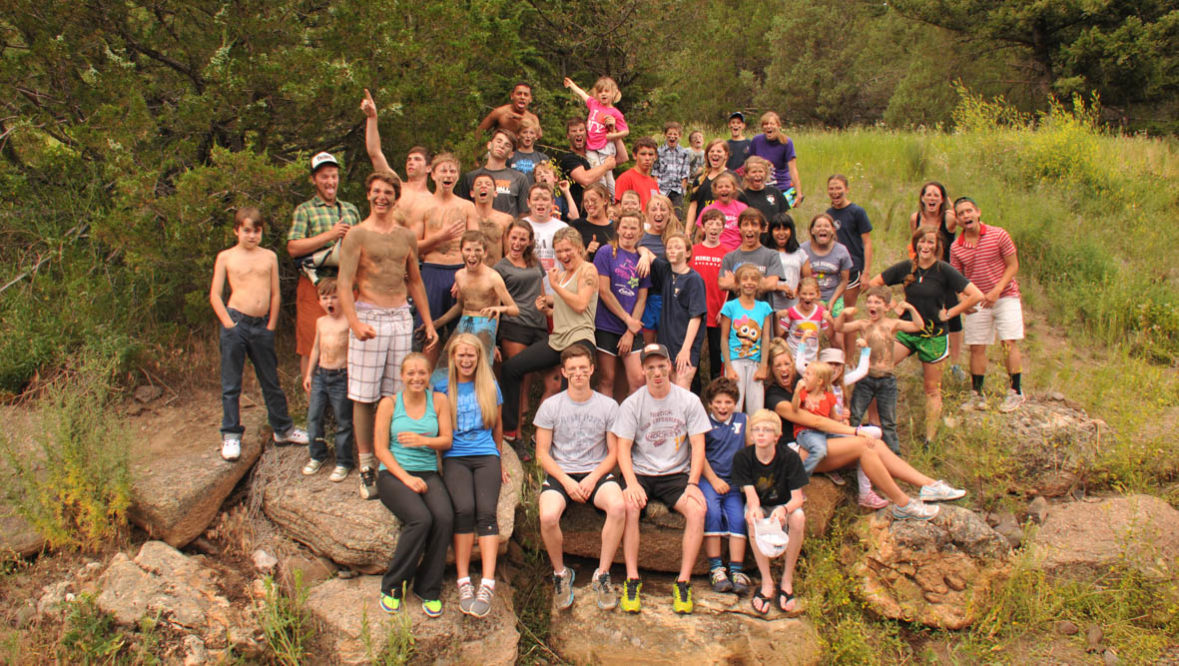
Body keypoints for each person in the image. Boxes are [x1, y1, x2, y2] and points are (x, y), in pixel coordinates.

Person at [761, 339, 965, 520]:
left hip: (822, 441)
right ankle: (903, 504)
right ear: (771, 369)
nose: (784, 369)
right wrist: (855, 431)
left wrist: (841, 416)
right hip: (796, 451)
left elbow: (828, 399)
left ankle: (929, 485)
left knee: (874, 444)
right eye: (778, 365)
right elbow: (816, 422)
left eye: (787, 363)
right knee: (863, 444)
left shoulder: (804, 380)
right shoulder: (774, 396)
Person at [337, 171, 439, 499]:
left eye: (388, 193)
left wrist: (428, 322)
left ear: (396, 198)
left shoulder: (406, 236)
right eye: (377, 191)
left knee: (395, 393)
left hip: (400, 318)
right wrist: (354, 323)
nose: (382, 197)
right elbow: (344, 283)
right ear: (368, 194)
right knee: (364, 395)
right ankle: (366, 463)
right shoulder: (357, 234)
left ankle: (392, 459)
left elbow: (415, 281)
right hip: (368, 315)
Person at [613, 343, 711, 615]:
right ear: (643, 370)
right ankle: (632, 578)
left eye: (661, 366)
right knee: (629, 506)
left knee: (697, 510)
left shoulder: (688, 401)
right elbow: (623, 448)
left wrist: (693, 483)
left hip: (676, 474)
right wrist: (631, 483)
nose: (657, 373)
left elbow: (698, 445)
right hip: (642, 472)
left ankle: (683, 582)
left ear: (669, 366)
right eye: (651, 367)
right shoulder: (633, 403)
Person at [868, 228, 984, 445]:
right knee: (877, 369)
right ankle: (874, 426)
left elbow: (976, 295)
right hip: (909, 331)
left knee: (932, 389)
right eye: (922, 241)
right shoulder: (906, 267)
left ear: (938, 246)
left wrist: (950, 313)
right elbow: (875, 283)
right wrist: (893, 305)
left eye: (931, 242)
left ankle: (930, 440)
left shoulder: (944, 270)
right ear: (916, 244)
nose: (926, 246)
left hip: (934, 335)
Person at [210, 208, 308, 461]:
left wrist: (271, 325)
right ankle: (231, 434)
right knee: (232, 383)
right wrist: (229, 324)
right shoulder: (226, 257)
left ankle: (283, 429)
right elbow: (215, 295)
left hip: (262, 326)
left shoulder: (269, 257)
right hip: (237, 322)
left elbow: (275, 294)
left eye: (257, 231)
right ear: (236, 231)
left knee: (270, 380)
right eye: (247, 230)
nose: (252, 235)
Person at [535, 346, 627, 611]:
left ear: (592, 369)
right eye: (572, 369)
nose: (578, 373)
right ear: (564, 372)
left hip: (595, 472)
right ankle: (561, 573)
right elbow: (541, 454)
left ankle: (603, 574)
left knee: (618, 506)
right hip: (561, 473)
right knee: (548, 516)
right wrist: (566, 481)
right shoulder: (551, 406)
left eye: (583, 368)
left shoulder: (608, 405)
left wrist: (592, 478)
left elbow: (614, 453)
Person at [501, 228, 599, 449]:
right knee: (510, 369)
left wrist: (553, 288)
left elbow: (580, 304)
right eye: (559, 251)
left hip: (580, 338)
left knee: (569, 388)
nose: (563, 255)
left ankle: (562, 442)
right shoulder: (562, 276)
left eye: (567, 250)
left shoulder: (588, 270)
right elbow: (563, 309)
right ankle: (510, 431)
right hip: (558, 340)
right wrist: (546, 307)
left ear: (578, 248)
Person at [372, 353, 454, 617]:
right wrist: (406, 478)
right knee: (421, 519)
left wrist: (423, 441)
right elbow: (380, 449)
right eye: (411, 373)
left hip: (428, 472)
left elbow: (447, 440)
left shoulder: (438, 401)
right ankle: (393, 586)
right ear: (402, 376)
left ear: (429, 375)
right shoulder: (389, 404)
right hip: (394, 474)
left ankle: (427, 589)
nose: (416, 378)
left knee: (444, 518)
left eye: (422, 373)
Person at [436, 334, 508, 619]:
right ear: (453, 358)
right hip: (455, 456)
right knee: (463, 510)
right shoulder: (442, 388)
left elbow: (498, 427)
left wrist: (500, 459)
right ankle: (463, 580)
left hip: (485, 454)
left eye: (471, 355)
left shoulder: (489, 385)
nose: (466, 360)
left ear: (479, 358)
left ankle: (487, 583)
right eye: (461, 355)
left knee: (487, 512)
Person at [287, 152, 360, 378]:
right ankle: (311, 396)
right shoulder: (305, 210)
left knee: (350, 341)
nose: (330, 181)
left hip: (346, 284)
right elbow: (293, 247)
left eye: (334, 176)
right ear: (314, 179)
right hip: (314, 286)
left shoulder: (350, 209)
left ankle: (344, 397)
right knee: (310, 343)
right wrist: (331, 235)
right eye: (324, 177)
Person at [950, 197, 1025, 413]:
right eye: (961, 213)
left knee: (1008, 341)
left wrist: (997, 290)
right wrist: (964, 300)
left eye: (969, 211)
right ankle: (977, 394)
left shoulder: (998, 234)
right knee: (976, 346)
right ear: (957, 220)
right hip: (978, 300)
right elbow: (957, 278)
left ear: (978, 212)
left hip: (1005, 295)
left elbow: (1013, 265)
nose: (966, 216)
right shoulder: (956, 247)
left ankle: (1016, 391)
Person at [733, 408, 807, 615]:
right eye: (756, 429)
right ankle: (767, 582)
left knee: (798, 517)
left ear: (777, 435)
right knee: (752, 518)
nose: (761, 434)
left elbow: (797, 498)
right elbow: (751, 496)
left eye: (767, 430)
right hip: (761, 504)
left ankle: (787, 579)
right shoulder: (743, 458)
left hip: (783, 505)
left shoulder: (790, 458)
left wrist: (783, 509)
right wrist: (755, 510)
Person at [840, 286, 926, 456]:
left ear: (886, 307)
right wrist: (843, 314)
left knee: (888, 421)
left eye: (877, 302)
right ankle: (847, 451)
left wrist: (910, 309)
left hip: (886, 379)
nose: (872, 305)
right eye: (869, 302)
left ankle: (894, 455)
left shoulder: (892, 324)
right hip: (865, 377)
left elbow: (918, 326)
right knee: (855, 415)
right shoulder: (863, 324)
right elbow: (840, 328)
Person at [413, 153, 480, 366]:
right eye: (443, 170)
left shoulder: (467, 206)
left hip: (460, 270)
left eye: (452, 171)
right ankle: (425, 382)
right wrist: (440, 237)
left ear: (458, 176)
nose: (448, 175)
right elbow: (412, 246)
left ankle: (457, 382)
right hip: (432, 271)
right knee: (427, 331)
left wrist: (465, 277)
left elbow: (476, 245)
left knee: (462, 337)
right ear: (433, 175)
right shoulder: (421, 206)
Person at [494, 221, 551, 432]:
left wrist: (548, 314)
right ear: (507, 238)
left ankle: (537, 427)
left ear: (529, 241)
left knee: (553, 380)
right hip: (514, 326)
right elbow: (495, 303)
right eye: (514, 238)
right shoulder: (500, 268)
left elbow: (542, 293)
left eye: (522, 239)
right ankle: (515, 432)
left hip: (539, 325)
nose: (517, 243)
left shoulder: (535, 263)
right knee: (517, 378)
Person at [432, 231, 520, 368]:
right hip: (464, 323)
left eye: (477, 250)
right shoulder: (460, 275)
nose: (472, 255)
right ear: (461, 251)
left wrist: (498, 309)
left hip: (485, 325)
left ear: (485, 253)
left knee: (479, 370)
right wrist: (436, 324)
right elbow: (460, 306)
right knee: (447, 370)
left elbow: (514, 310)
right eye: (468, 250)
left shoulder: (493, 277)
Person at [700, 378, 751, 596]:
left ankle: (736, 570)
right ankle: (716, 569)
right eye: (718, 402)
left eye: (728, 402)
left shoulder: (743, 420)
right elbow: (699, 455)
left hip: (733, 482)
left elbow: (750, 450)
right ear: (710, 403)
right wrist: (713, 480)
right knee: (712, 512)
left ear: (735, 403)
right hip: (710, 479)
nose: (723, 407)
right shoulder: (703, 422)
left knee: (738, 518)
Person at [909, 181, 964, 380]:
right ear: (922, 197)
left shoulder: (947, 218)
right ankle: (927, 358)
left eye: (936, 195)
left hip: (945, 273)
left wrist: (954, 208)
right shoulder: (915, 218)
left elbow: (962, 223)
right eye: (928, 194)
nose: (932, 198)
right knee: (926, 315)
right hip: (923, 273)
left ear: (942, 199)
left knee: (953, 317)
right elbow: (914, 243)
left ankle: (955, 364)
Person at [301, 278, 354, 482]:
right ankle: (317, 455)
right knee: (314, 416)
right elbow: (316, 348)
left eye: (334, 297)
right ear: (319, 302)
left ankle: (344, 461)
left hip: (341, 376)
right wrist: (309, 374)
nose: (329, 301)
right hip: (321, 375)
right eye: (324, 298)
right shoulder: (321, 322)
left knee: (343, 420)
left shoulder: (348, 321)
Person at [594, 212, 651, 397]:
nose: (628, 232)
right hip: (607, 324)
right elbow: (603, 291)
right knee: (607, 378)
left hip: (632, 328)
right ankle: (608, 416)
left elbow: (642, 298)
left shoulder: (642, 261)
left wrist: (630, 331)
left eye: (633, 228)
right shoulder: (605, 252)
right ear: (617, 229)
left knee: (638, 379)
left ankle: (628, 415)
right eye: (625, 227)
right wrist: (628, 320)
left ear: (640, 232)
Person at [360, 90, 433, 220]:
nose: (411, 162)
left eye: (417, 159)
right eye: (409, 159)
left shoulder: (433, 200)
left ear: (429, 168)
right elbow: (375, 153)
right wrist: (372, 118)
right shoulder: (397, 187)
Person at [652, 233, 707, 389]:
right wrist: (643, 256)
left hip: (685, 346)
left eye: (678, 247)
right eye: (669, 247)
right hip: (666, 345)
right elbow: (645, 252)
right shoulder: (666, 272)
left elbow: (696, 317)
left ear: (688, 253)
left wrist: (685, 350)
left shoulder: (694, 279)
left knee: (682, 389)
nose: (672, 251)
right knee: (666, 391)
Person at [720, 264, 774, 414]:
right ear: (738, 283)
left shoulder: (764, 308)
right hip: (735, 360)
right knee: (734, 404)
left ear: (758, 283)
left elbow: (766, 337)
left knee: (756, 406)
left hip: (755, 362)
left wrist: (763, 366)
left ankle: (755, 429)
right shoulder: (730, 307)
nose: (749, 282)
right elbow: (724, 338)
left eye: (753, 279)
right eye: (745, 279)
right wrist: (728, 367)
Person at [563, 76, 629, 196]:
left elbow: (623, 155)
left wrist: (613, 133)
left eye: (606, 91)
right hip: (592, 147)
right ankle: (603, 196)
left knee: (609, 176)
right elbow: (582, 94)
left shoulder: (615, 113)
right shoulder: (594, 104)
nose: (603, 94)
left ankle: (612, 199)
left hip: (604, 145)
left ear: (613, 93)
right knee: (600, 175)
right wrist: (572, 85)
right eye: (600, 91)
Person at [690, 210, 729, 386]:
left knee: (716, 353)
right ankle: (694, 390)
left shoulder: (727, 253)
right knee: (694, 354)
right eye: (710, 224)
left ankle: (717, 389)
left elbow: (729, 286)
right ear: (703, 227)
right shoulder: (693, 251)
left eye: (718, 224)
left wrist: (724, 309)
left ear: (723, 228)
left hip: (717, 310)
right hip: (696, 311)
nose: (714, 228)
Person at [825, 175, 873, 312]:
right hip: (834, 269)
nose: (835, 192)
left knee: (847, 311)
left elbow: (867, 243)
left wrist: (866, 273)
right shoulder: (828, 214)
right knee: (832, 310)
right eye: (831, 189)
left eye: (838, 188)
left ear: (847, 189)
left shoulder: (857, 212)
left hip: (852, 267)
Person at [558, 116, 625, 214]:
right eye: (574, 131)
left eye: (581, 130)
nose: (578, 133)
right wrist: (606, 166)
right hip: (581, 214)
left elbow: (623, 158)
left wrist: (614, 133)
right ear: (568, 136)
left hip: (602, 212)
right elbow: (585, 179)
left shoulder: (594, 153)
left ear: (587, 133)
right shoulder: (569, 158)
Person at [457, 129, 530, 217]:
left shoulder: (520, 178)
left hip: (508, 225)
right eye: (499, 141)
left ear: (511, 154)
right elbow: (463, 210)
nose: (502, 146)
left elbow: (524, 214)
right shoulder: (470, 177)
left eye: (507, 145)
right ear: (489, 145)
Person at [718, 208, 786, 301]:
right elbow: (723, 283)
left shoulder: (772, 255)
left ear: (762, 229)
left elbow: (771, 285)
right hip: (735, 310)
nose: (749, 229)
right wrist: (760, 282)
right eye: (745, 225)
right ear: (739, 229)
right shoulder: (729, 257)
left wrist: (735, 282)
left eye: (754, 225)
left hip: (762, 309)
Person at [521, 183, 570, 294]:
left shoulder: (563, 228)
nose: (540, 203)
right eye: (536, 199)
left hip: (556, 292)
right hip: (527, 292)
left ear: (553, 203)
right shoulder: (520, 226)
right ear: (528, 203)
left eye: (545, 199)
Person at [801, 213, 852, 315]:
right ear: (812, 230)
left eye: (826, 226)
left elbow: (844, 281)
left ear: (833, 230)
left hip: (834, 297)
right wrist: (815, 301)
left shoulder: (841, 251)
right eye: (818, 226)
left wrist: (832, 302)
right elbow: (800, 277)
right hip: (808, 297)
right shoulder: (802, 250)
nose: (822, 229)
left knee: (837, 323)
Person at [777, 277, 834, 364]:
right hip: (794, 356)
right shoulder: (791, 311)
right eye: (804, 294)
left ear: (818, 294)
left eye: (811, 294)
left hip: (811, 358)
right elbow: (779, 333)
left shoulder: (820, 312)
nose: (807, 297)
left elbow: (829, 334)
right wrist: (777, 318)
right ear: (798, 294)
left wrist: (830, 320)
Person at [748, 111, 801, 204]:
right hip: (761, 185)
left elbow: (793, 170)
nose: (768, 126)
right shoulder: (756, 141)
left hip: (782, 185)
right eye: (765, 124)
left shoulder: (787, 142)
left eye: (772, 124)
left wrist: (799, 193)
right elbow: (749, 165)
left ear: (778, 126)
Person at [763, 213, 811, 311]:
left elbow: (807, 279)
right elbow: (759, 279)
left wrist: (797, 290)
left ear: (791, 231)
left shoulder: (800, 253)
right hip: (770, 307)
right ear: (771, 232)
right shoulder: (765, 254)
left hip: (795, 307)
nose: (781, 233)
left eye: (785, 229)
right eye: (777, 229)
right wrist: (778, 287)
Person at [685, 139, 736, 226]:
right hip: (702, 227)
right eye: (712, 151)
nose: (715, 154)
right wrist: (688, 229)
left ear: (726, 155)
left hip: (725, 227)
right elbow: (693, 206)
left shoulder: (733, 177)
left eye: (719, 151)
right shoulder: (699, 178)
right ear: (707, 155)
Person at [695, 171, 747, 250]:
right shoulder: (708, 209)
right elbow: (699, 236)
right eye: (720, 187)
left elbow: (747, 233)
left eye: (727, 186)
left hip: (737, 251)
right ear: (715, 190)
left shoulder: (742, 208)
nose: (724, 189)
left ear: (734, 189)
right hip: (714, 251)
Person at [471, 173, 514, 265]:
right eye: (479, 184)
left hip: (496, 270)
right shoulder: (467, 218)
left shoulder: (505, 220)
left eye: (488, 184)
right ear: (472, 193)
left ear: (495, 193)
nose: (483, 186)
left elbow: (509, 253)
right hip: (471, 269)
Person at [475, 81, 542, 141]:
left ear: (530, 99)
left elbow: (539, 135)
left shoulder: (533, 118)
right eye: (519, 94)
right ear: (512, 96)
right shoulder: (500, 113)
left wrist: (521, 119)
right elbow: (479, 132)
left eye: (526, 95)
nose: (522, 97)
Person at [652, 121, 692, 216]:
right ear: (665, 135)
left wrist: (682, 189)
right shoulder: (659, 151)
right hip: (662, 190)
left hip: (677, 190)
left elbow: (685, 173)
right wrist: (655, 189)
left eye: (675, 134)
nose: (672, 136)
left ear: (679, 136)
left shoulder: (684, 152)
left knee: (677, 216)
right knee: (661, 215)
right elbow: (655, 171)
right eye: (670, 134)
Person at [569, 183, 615, 262]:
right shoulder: (576, 226)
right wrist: (587, 253)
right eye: (586, 201)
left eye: (593, 200)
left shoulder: (616, 228)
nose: (589, 204)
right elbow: (569, 260)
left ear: (605, 201)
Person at [738, 156, 789, 223]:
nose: (758, 175)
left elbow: (785, 217)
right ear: (746, 175)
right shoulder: (742, 196)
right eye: (754, 172)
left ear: (765, 173)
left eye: (760, 171)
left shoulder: (775, 192)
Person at [614, 138, 660, 210]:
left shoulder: (654, 183)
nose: (647, 158)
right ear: (634, 155)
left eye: (650, 154)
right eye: (643, 154)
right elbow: (618, 208)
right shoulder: (626, 178)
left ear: (655, 156)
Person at [507, 116, 549, 182]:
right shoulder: (510, 157)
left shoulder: (542, 158)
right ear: (518, 135)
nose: (528, 136)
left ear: (536, 136)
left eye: (531, 133)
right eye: (524, 132)